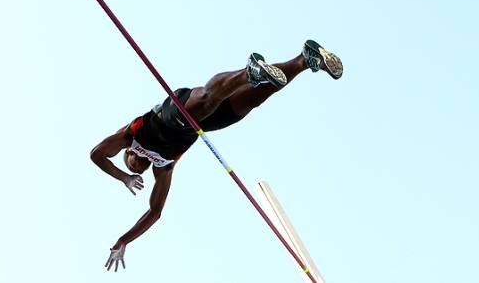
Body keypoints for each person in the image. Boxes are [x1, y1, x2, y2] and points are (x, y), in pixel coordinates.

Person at [91, 40, 343, 271]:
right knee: (258, 96)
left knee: (207, 100)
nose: (137, 168)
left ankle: (249, 71)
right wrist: (124, 240)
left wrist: (124, 177)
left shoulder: (129, 137)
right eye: (137, 172)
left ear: (127, 154)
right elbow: (154, 212)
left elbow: (97, 154)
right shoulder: (163, 168)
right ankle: (305, 59)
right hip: (202, 125)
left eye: (131, 163)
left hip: (173, 113)